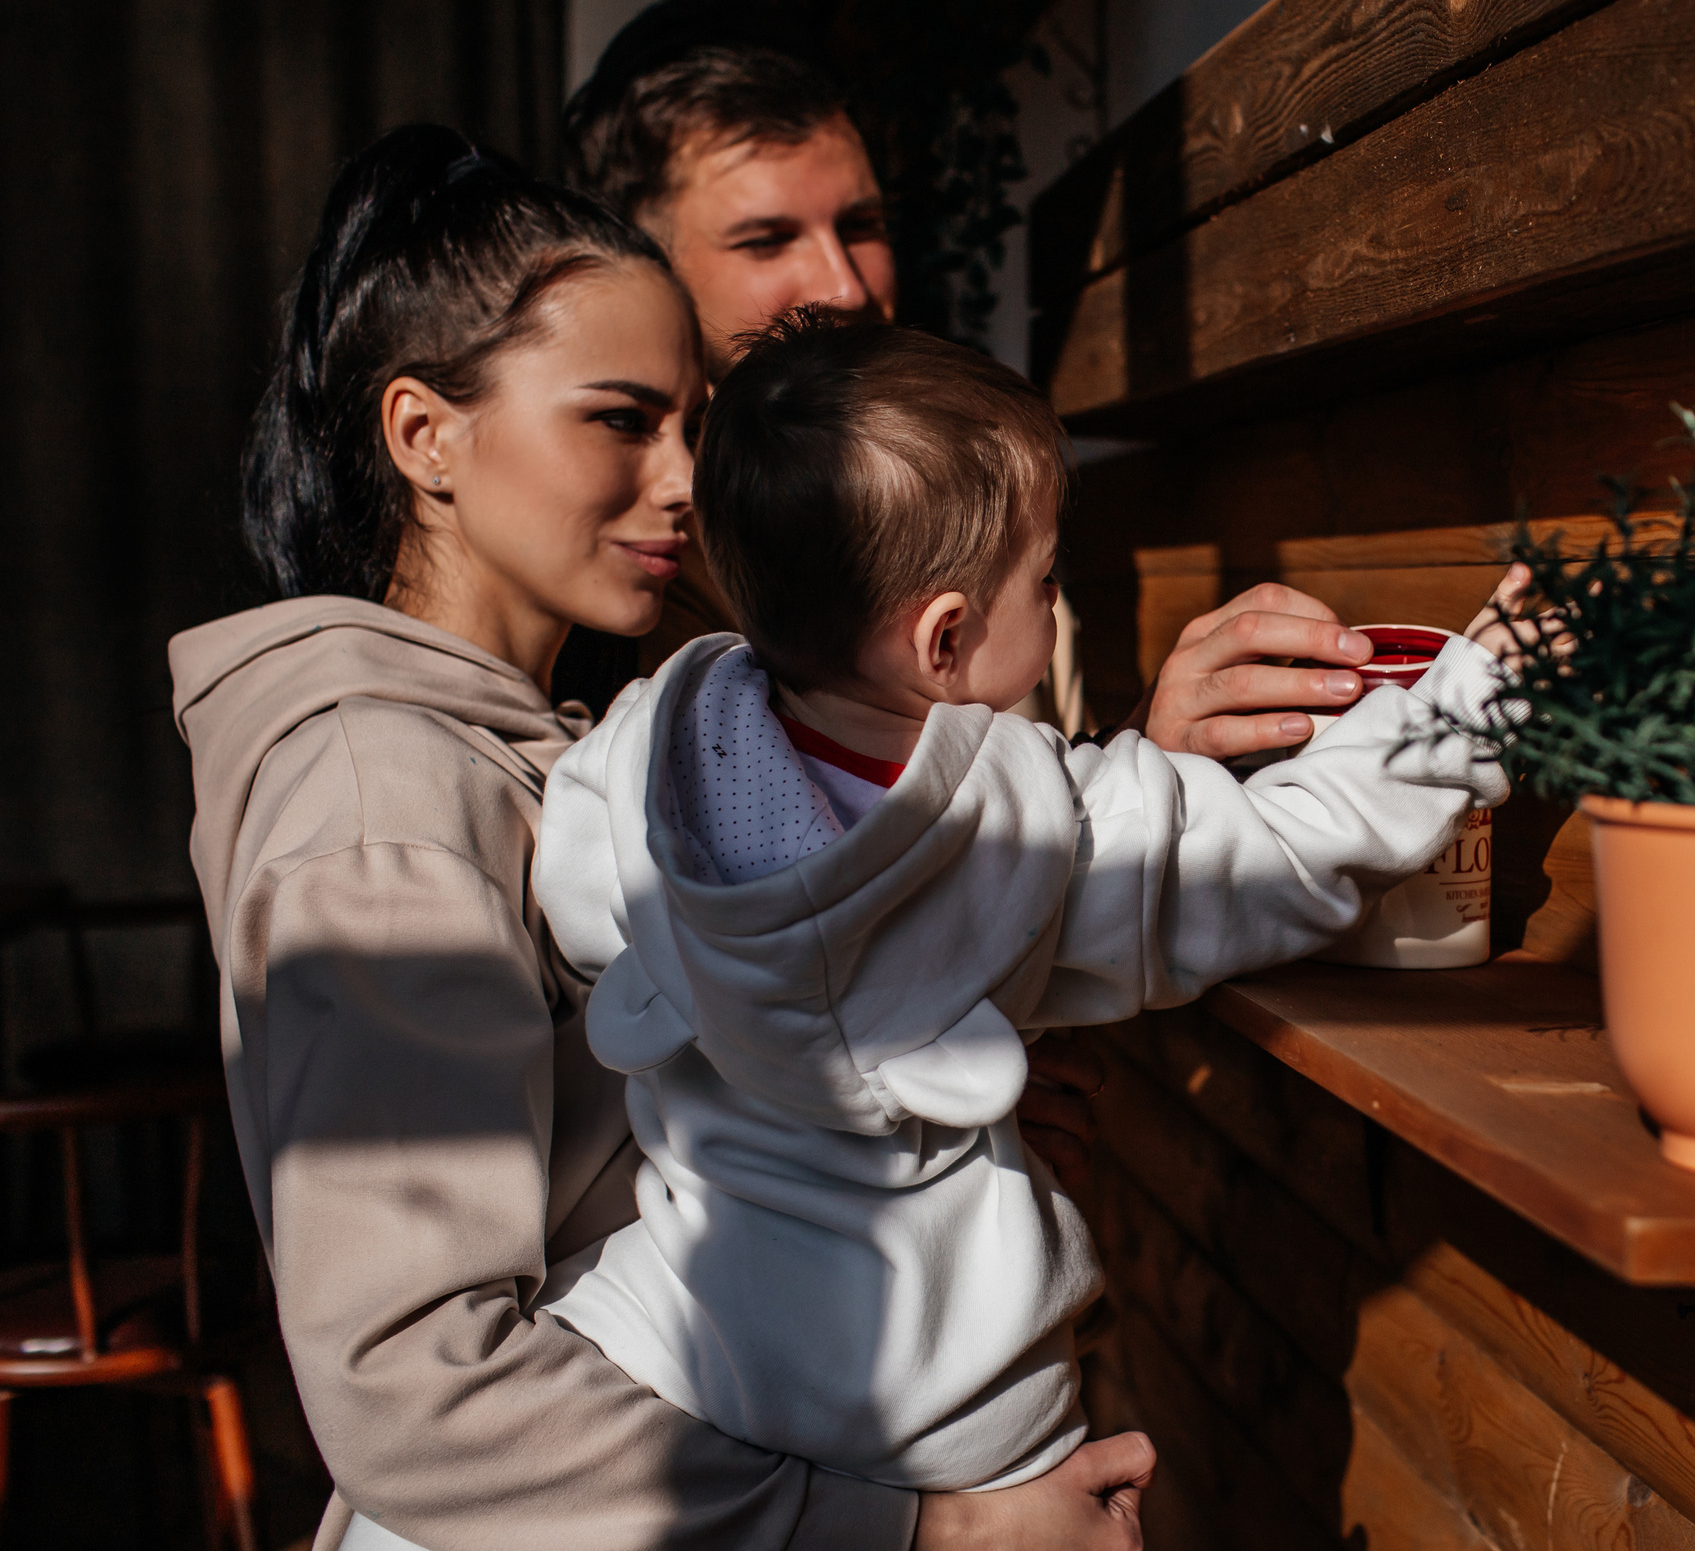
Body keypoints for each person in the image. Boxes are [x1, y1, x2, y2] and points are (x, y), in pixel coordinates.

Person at [171, 125, 1151, 1551]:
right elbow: (415, 1385)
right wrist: (935, 1533)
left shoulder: (566, 737)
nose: (685, 477)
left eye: (692, 423)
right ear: (423, 434)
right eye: (622, 420)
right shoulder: (375, 801)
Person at [529, 310, 1523, 1494]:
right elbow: (1283, 850)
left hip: (704, 1355)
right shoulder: (1027, 832)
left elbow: (581, 906)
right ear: (944, 639)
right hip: (956, 1410)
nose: (1054, 601)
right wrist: (1474, 692)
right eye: (1044, 577)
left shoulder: (654, 759)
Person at [561, 0, 1374, 760]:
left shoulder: (974, 476)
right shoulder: (629, 564)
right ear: (652, 276)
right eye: (768, 240)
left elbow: (1021, 805)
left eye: (863, 226)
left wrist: (1149, 746)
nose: (845, 285)